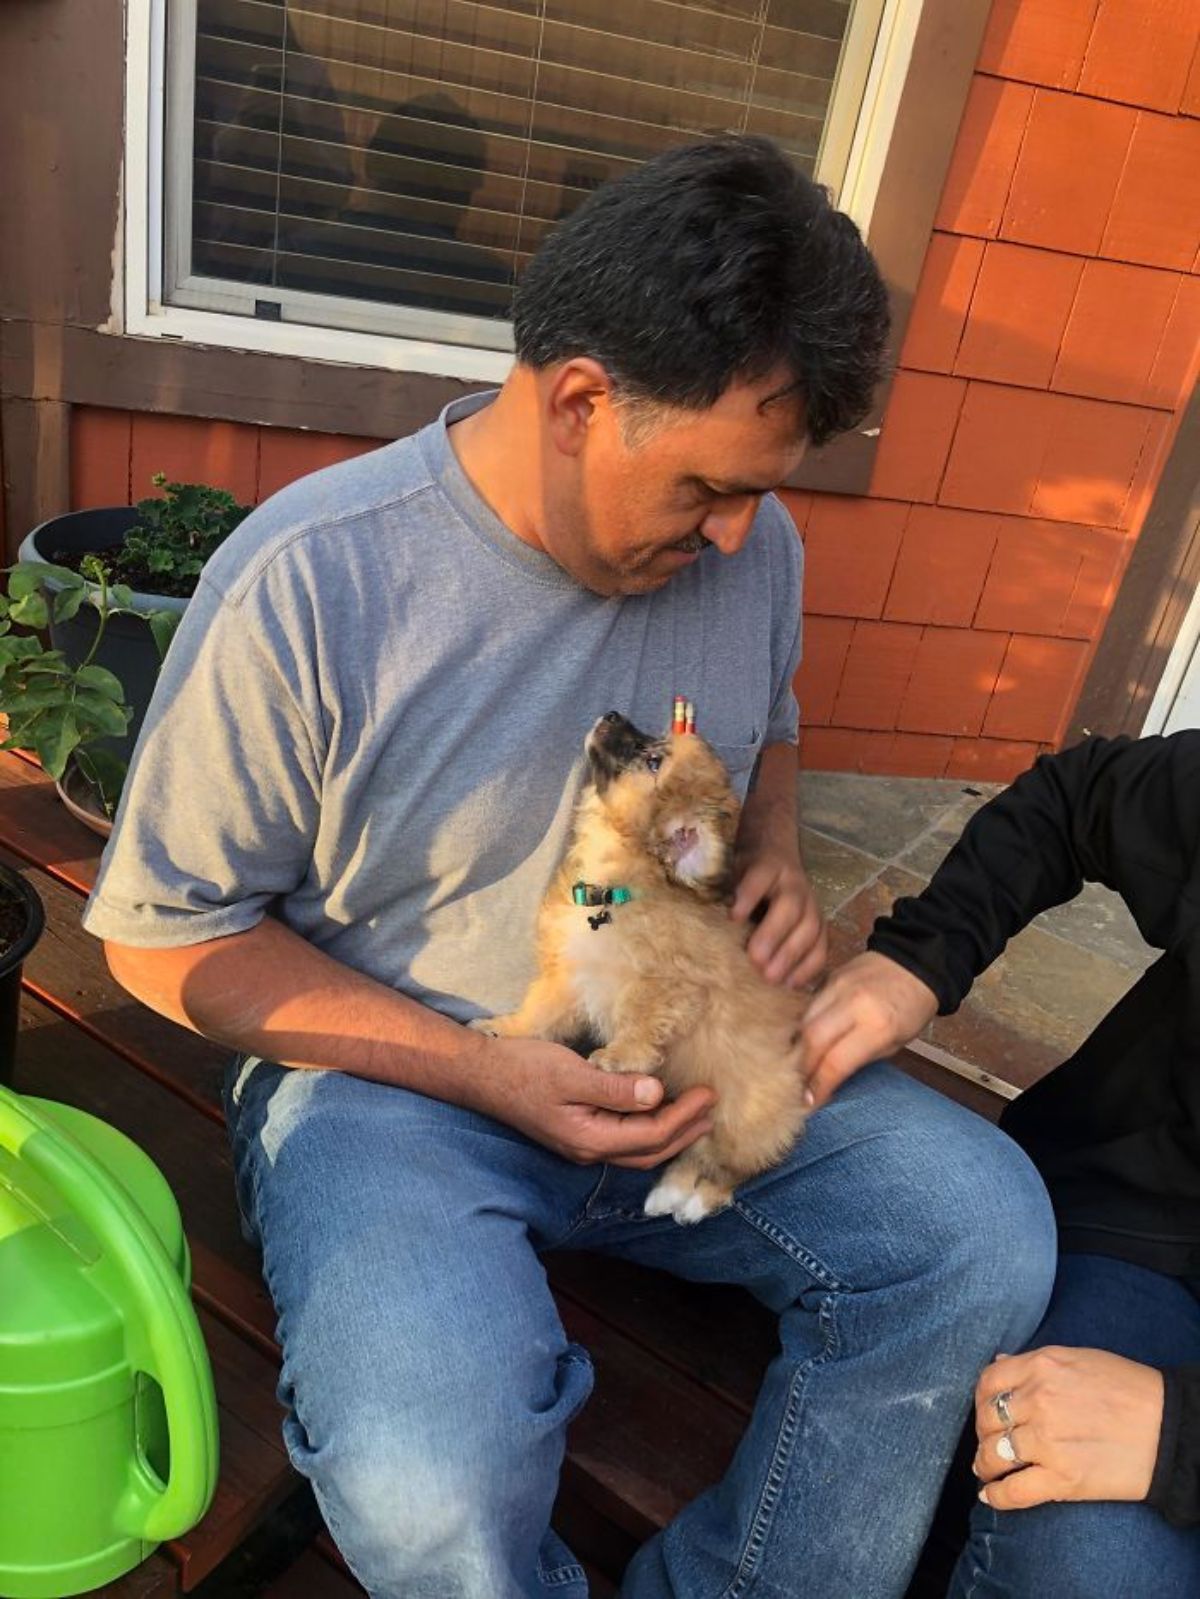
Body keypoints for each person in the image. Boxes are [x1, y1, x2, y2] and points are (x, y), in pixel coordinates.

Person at [82, 136, 1055, 1598]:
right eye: (710, 488)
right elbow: (168, 942)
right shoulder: (315, 578)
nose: (741, 531)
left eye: (761, 493)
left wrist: (778, 848)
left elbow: (771, 727)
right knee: (428, 1472)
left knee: (977, 1232)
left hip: (686, 1041)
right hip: (401, 1078)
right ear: (584, 398)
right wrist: (484, 1073)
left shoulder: (758, 542)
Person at [800, 731, 1200, 1598]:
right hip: (1144, 1229)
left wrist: (1183, 1434)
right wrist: (921, 956)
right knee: (1086, 1557)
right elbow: (1076, 794)